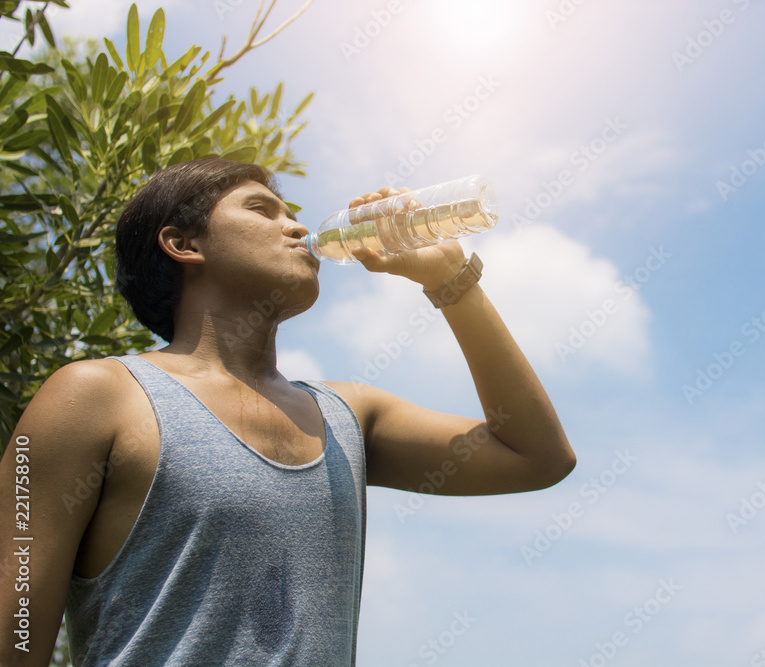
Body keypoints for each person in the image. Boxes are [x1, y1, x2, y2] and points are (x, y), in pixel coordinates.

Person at [0, 158, 576, 666]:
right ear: (184, 244)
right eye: (262, 210)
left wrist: (450, 279)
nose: (298, 227)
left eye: (292, 213)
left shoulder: (350, 414)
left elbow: (537, 456)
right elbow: (13, 637)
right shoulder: (93, 397)